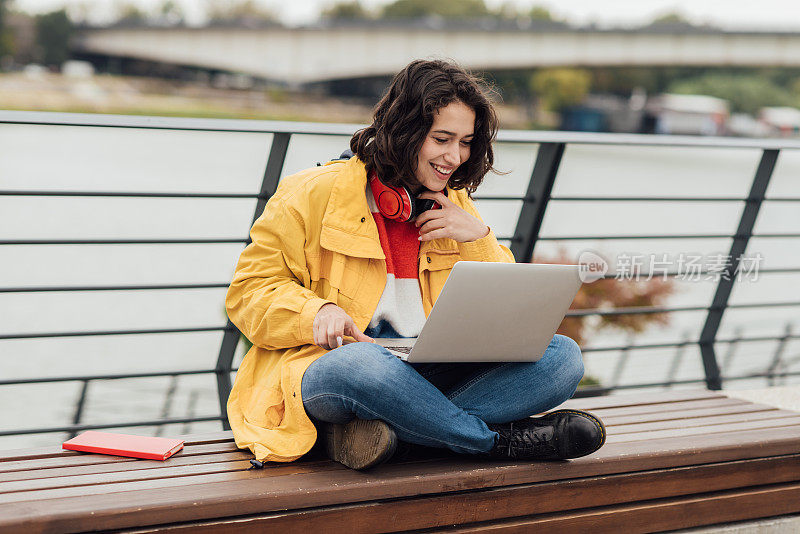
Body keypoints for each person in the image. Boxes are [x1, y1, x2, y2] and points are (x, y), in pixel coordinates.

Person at [225, 59, 605, 470]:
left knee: (562, 357)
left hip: (425, 368)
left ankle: (400, 434)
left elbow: (506, 313)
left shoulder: (452, 202)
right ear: (405, 131)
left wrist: (479, 238)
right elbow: (248, 293)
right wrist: (314, 311)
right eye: (442, 139)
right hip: (335, 366)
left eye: (465, 141)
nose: (455, 157)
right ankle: (492, 443)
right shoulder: (309, 193)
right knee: (365, 366)